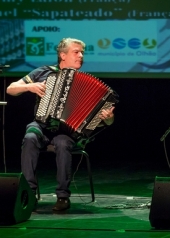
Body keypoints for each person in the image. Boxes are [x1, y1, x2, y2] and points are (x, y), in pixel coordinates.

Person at [6, 38, 115, 211]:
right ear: (63, 55)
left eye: (82, 52)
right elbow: (11, 88)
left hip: (66, 132)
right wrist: (30, 87)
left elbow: (106, 122)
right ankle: (29, 193)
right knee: (29, 138)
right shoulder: (43, 72)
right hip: (41, 125)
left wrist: (108, 118)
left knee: (63, 143)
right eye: (76, 52)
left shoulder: (88, 83)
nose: (81, 56)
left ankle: (63, 196)